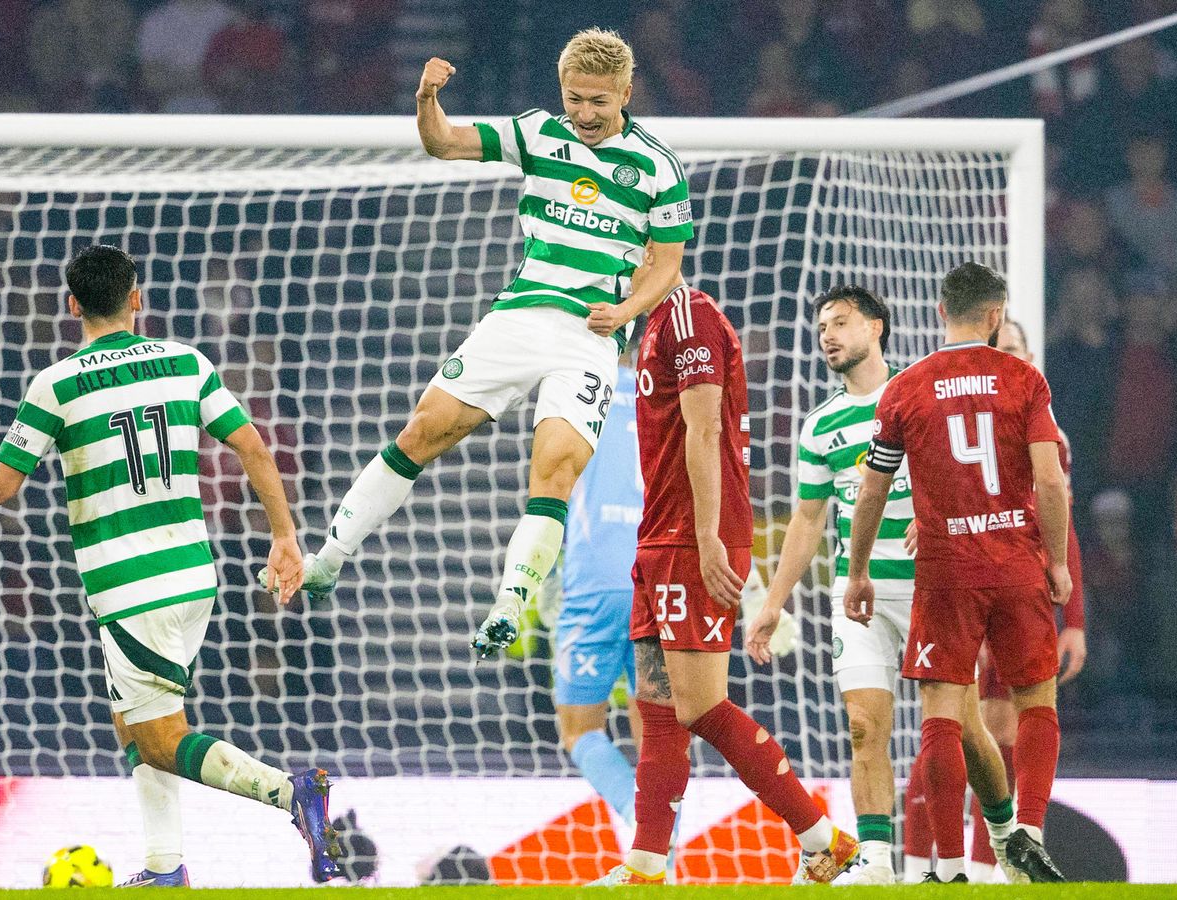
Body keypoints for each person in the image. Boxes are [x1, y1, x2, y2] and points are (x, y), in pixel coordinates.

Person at [276, 29, 693, 660]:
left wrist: (627, 311)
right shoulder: (537, 133)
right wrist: (426, 100)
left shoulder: (658, 167)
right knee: (422, 431)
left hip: (590, 336)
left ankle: (510, 605)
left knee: (555, 470)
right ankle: (329, 560)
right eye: (574, 98)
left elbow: (667, 265)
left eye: (598, 102)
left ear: (626, 94)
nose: (584, 113)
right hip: (518, 319)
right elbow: (444, 142)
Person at [0, 245, 344, 886]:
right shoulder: (187, 363)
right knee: (132, 719)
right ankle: (163, 866)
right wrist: (284, 536)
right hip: (193, 573)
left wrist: (27, 445)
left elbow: (1, 487)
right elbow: (253, 447)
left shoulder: (56, 385)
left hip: (130, 586)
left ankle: (294, 794)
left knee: (160, 738)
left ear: (72, 306)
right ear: (136, 299)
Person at [594, 285, 859, 886]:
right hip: (658, 535)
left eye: (629, 248)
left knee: (702, 707)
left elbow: (707, 426)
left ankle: (823, 840)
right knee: (658, 708)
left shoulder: (689, 314)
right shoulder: (652, 325)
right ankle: (646, 863)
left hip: (692, 538)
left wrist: (708, 533)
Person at [846, 262, 1067, 884]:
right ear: (996, 315)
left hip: (945, 570)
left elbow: (872, 490)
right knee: (1036, 701)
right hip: (1016, 562)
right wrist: (1056, 560)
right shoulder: (1024, 379)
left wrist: (858, 571)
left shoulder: (905, 388)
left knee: (942, 713)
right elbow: (1050, 481)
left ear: (942, 311)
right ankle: (1028, 835)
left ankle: (946, 867)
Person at [900, 317, 1089, 883]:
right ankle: (926, 864)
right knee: (955, 722)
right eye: (998, 348)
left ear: (1029, 356)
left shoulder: (1046, 431)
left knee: (994, 727)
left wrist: (1074, 618)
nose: (1007, 358)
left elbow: (1062, 520)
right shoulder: (954, 414)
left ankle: (989, 867)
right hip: (966, 581)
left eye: (1014, 349)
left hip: (1016, 587)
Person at [746, 285, 908, 885]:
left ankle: (1001, 837)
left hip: (933, 586)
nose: (828, 337)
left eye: (840, 323)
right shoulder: (820, 425)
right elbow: (809, 520)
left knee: (961, 729)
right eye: (821, 329)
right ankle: (877, 861)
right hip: (857, 593)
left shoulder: (914, 396)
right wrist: (772, 603)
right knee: (864, 726)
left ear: (876, 326)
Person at [554, 357, 642, 827]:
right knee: (660, 738)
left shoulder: (575, 389)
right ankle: (662, 850)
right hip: (657, 578)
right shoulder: (666, 392)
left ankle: (637, 815)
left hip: (596, 582)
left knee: (580, 729)